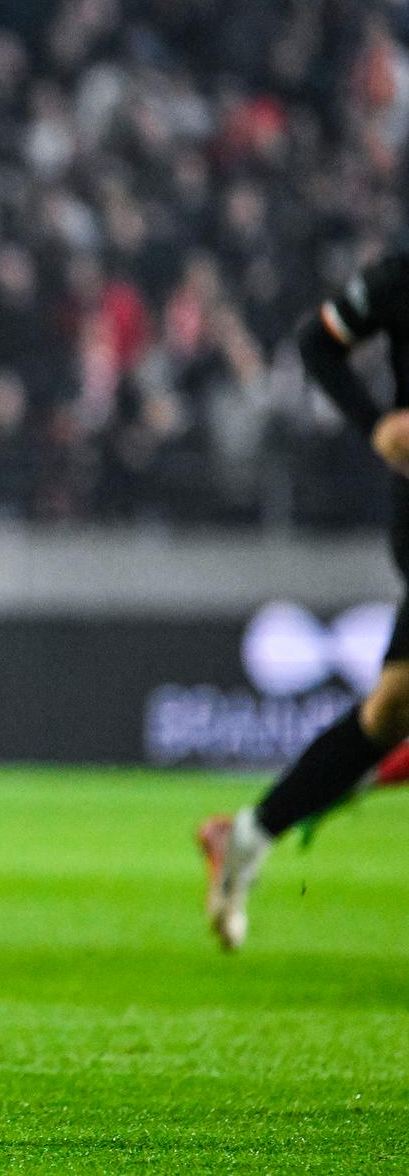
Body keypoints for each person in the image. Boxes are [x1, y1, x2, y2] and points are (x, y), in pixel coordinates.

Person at [200, 250, 409, 950]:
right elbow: (317, 342)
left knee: (392, 709)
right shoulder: (399, 277)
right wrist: (376, 423)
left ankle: (246, 835)